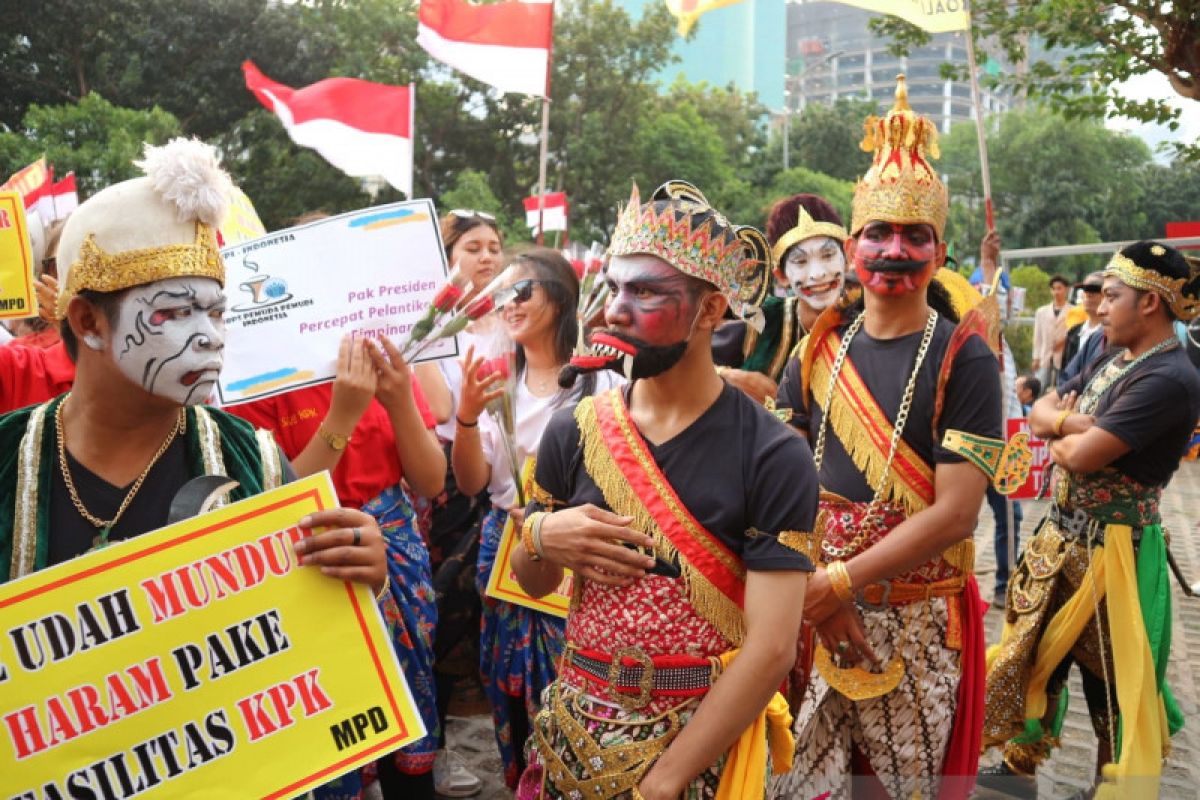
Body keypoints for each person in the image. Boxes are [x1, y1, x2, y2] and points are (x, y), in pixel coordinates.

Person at [510, 181, 815, 800]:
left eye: (646, 291)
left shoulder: (772, 452)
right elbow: (531, 580)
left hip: (695, 744)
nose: (616, 309)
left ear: (710, 311)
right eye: (616, 287)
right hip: (574, 732)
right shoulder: (575, 427)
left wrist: (664, 781)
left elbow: (773, 647)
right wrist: (543, 535)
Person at [0, 139, 387, 627]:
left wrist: (356, 577)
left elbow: (301, 640)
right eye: (175, 312)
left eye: (217, 312)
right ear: (88, 322)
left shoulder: (252, 460)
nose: (209, 337)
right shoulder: (8, 459)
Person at [772, 76, 1002, 799]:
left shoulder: (965, 355)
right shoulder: (818, 345)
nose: (894, 250)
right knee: (794, 784)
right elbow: (779, 477)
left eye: (915, 236)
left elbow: (958, 514)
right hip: (809, 602)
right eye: (878, 233)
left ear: (939, 250)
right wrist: (818, 593)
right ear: (852, 243)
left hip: (915, 615)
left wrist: (839, 583)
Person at [979, 241, 1200, 798]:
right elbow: (1041, 409)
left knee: (1111, 686)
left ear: (1150, 303)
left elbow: (1075, 454)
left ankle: (1111, 789)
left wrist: (1063, 429)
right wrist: (1075, 423)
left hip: (1115, 554)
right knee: (1032, 657)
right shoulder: (1111, 353)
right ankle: (1018, 770)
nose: (1100, 307)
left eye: (1113, 296)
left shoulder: (1171, 379)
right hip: (1058, 537)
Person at [228, 330, 447, 800]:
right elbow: (277, 505)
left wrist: (398, 398)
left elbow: (430, 479)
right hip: (311, 563)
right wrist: (343, 414)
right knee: (334, 723)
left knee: (408, 714)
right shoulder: (252, 375)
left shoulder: (373, 353)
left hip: (395, 560)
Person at [450, 247, 621, 789]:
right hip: (508, 550)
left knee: (577, 685)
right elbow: (474, 484)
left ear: (561, 294)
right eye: (500, 295)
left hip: (580, 552)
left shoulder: (602, 382)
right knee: (513, 691)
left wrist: (559, 517)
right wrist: (468, 417)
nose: (509, 304)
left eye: (521, 290)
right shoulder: (497, 381)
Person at [412, 208, 504, 798]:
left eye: (495, 246)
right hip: (447, 485)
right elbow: (442, 410)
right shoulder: (430, 327)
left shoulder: (511, 321)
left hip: (503, 483)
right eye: (473, 247)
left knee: (491, 621)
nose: (488, 256)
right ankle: (438, 748)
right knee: (445, 619)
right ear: (447, 258)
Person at [712, 193, 848, 403]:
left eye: (828, 256)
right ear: (782, 276)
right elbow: (683, 363)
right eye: (801, 261)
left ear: (848, 257)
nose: (818, 273)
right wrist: (728, 377)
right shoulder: (763, 321)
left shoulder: (870, 320)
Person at [1058, 270, 1107, 388]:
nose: (1089, 295)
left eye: (1095, 290)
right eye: (1086, 290)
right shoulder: (1074, 332)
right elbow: (1065, 369)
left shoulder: (1113, 334)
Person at [1033, 274, 1070, 389]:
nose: (1056, 292)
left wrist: (1064, 341)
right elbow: (1037, 337)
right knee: (1040, 386)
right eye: (1053, 289)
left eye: (1059, 288)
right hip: (1045, 356)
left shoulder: (1073, 311)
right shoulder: (1041, 312)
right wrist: (1036, 358)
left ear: (1066, 289)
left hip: (1064, 358)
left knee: (1061, 388)